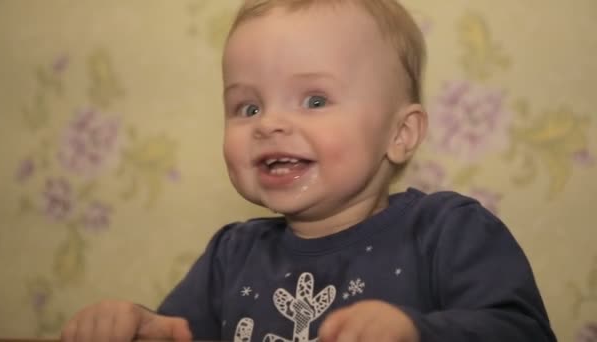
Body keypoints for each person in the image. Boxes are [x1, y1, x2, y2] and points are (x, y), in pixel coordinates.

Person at [61, 0, 558, 341]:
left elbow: (523, 332)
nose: (270, 124)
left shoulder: (449, 232)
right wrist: (140, 326)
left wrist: (416, 331)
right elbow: (178, 333)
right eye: (247, 108)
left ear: (400, 134)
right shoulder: (231, 257)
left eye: (315, 99)